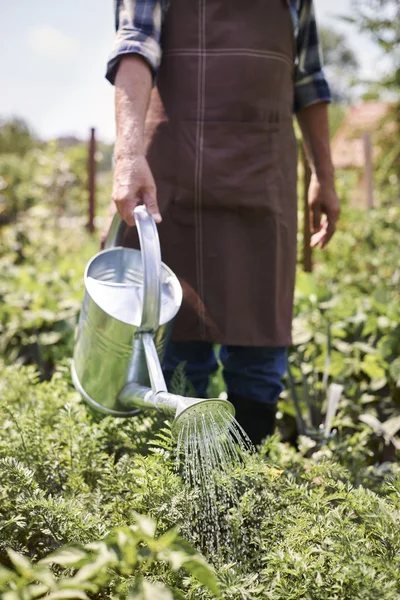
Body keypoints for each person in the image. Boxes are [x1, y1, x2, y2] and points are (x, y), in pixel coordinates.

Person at [103, 0, 340, 445]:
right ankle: (173, 487)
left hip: (262, 176)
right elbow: (134, 47)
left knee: (260, 346)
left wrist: (324, 177)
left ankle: (246, 486)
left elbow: (308, 79)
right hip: (172, 175)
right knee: (177, 337)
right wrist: (128, 155)